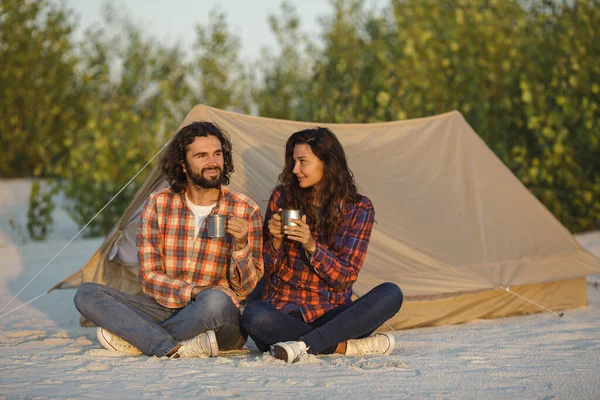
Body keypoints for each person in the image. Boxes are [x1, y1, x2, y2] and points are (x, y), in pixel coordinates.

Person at [74, 121, 263, 358]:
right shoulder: (158, 204)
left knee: (214, 299)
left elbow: (247, 288)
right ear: (183, 165)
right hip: (166, 306)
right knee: (87, 293)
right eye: (202, 156)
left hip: (218, 315)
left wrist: (242, 244)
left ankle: (143, 339)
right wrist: (195, 290)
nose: (213, 162)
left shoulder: (246, 209)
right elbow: (149, 276)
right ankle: (170, 344)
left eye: (217, 154)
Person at [241, 127, 403, 364]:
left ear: (327, 163)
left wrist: (311, 246)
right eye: (293, 161)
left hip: (333, 315)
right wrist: (274, 241)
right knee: (254, 315)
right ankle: (343, 347)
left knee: (391, 293)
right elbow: (264, 270)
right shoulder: (282, 198)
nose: (295, 170)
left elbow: (345, 277)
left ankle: (305, 344)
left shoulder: (358, 208)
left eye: (302, 161)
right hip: (284, 313)